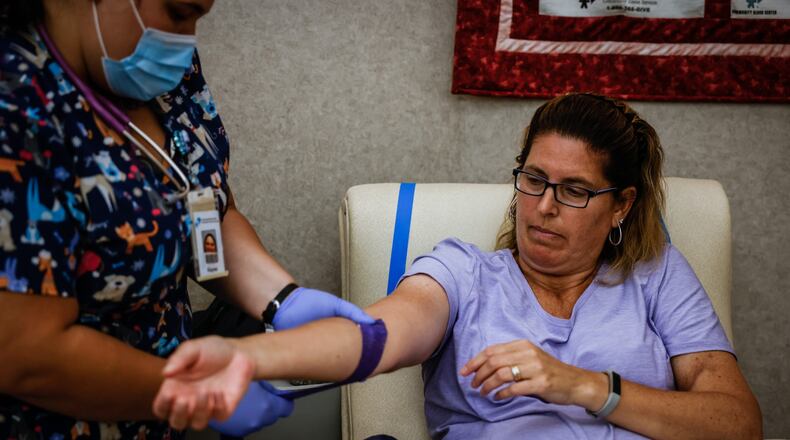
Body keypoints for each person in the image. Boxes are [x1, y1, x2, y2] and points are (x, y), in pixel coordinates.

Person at [153, 93, 763, 439]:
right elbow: (375, 338)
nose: (544, 207)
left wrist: (581, 386)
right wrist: (245, 359)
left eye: (575, 191)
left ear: (621, 206)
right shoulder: (464, 272)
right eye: (533, 180)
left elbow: (738, 425)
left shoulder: (654, 274)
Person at [0, 1, 372, 439]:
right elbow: (27, 355)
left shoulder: (160, 71)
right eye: (178, 13)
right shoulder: (17, 106)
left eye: (199, 16)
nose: (187, 39)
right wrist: (193, 391)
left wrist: (282, 299)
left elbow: (204, 206)